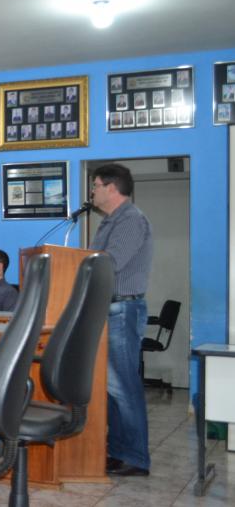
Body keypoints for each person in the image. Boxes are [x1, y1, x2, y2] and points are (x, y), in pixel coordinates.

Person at [89, 163, 153, 477]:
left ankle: (136, 457)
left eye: (96, 185)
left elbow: (110, 262)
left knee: (124, 387)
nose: (92, 191)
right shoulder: (109, 221)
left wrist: (80, 263)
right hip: (106, 309)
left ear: (111, 188)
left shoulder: (130, 219)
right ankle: (117, 450)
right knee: (111, 387)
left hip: (122, 310)